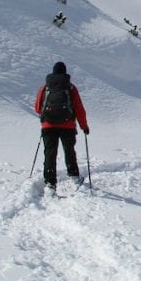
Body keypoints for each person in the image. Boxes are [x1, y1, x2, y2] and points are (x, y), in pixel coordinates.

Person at [34, 61, 89, 190]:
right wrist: (84, 126)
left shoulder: (45, 87)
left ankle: (50, 182)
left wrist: (46, 118)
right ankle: (74, 177)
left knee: (50, 153)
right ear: (65, 72)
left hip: (48, 126)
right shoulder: (70, 88)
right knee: (69, 151)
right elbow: (79, 108)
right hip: (68, 126)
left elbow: (37, 107)